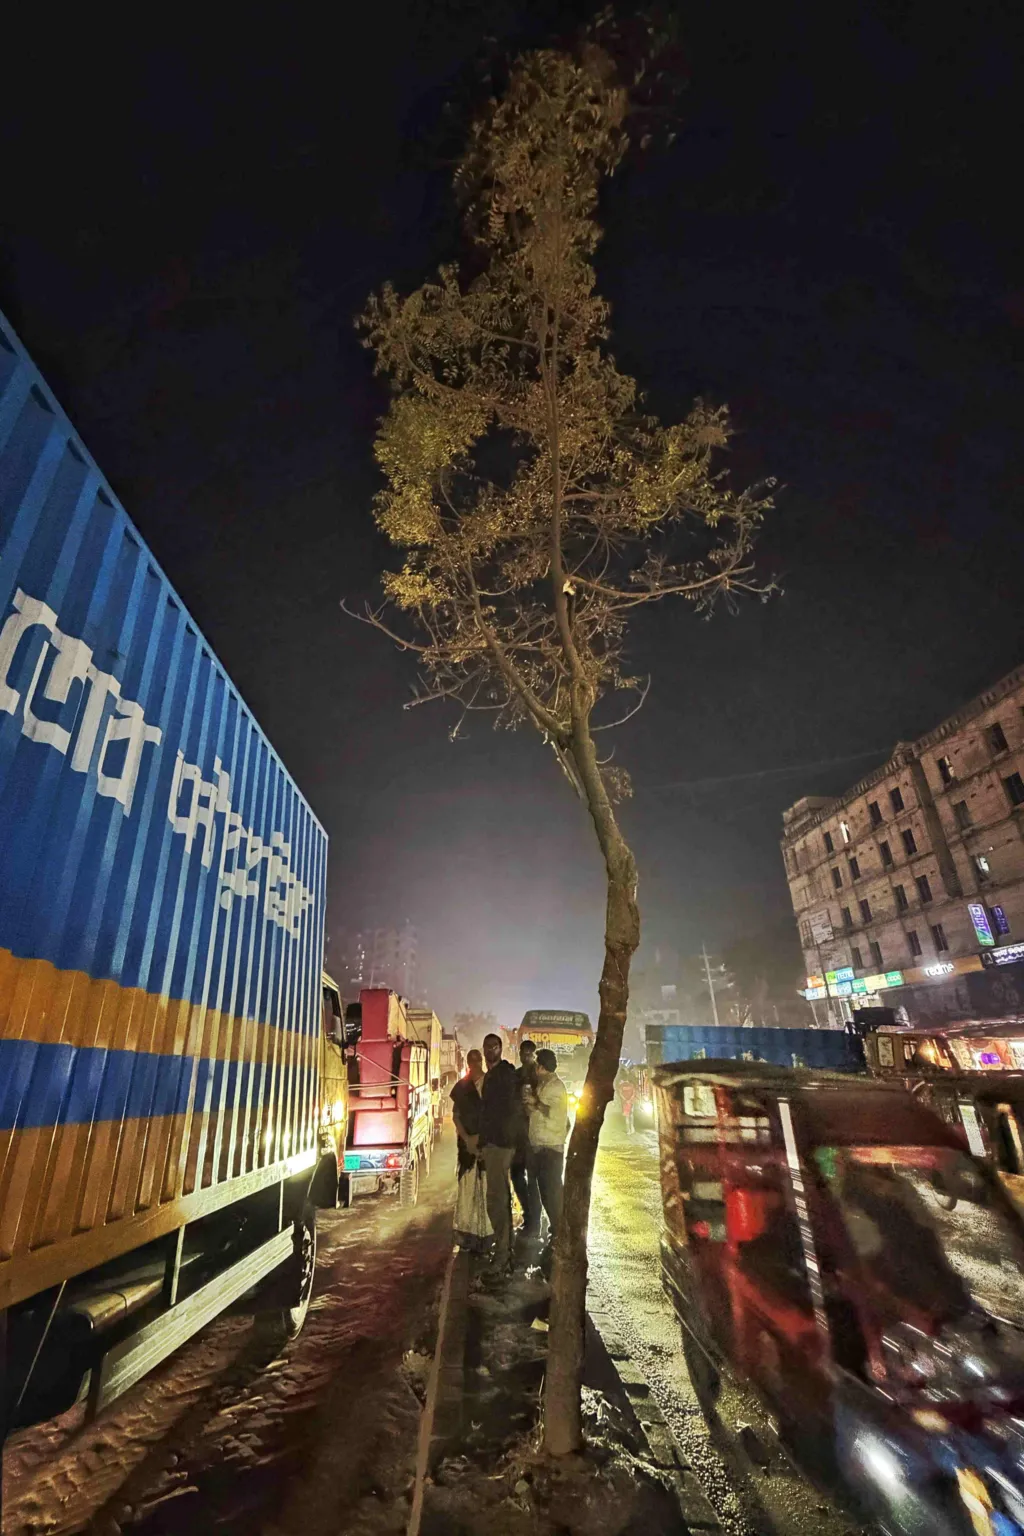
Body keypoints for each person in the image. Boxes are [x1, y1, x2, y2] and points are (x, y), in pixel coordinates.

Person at [479, 1032, 520, 1280]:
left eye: (493, 1047)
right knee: (500, 1199)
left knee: (497, 1200)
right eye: (486, 1048)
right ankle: (505, 1253)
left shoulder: (503, 1076)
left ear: (500, 1049)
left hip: (499, 1144)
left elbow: (503, 1112)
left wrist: (495, 1140)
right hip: (496, 1144)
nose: (488, 1052)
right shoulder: (497, 1075)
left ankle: (502, 1257)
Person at [526, 1049, 569, 1257]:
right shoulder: (545, 1084)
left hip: (550, 1148)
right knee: (545, 1192)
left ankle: (559, 1234)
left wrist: (535, 1103)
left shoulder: (555, 1087)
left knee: (551, 1193)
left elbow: (552, 1113)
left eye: (537, 1064)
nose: (535, 1068)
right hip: (540, 1145)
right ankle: (556, 1232)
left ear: (542, 1066)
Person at [511, 1040, 541, 1239]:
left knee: (533, 1180)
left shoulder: (540, 1077)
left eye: (530, 1053)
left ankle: (534, 1221)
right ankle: (529, 1215)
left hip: (535, 1134)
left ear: (534, 1054)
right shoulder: (516, 1075)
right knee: (516, 1175)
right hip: (518, 1133)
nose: (527, 1056)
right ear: (520, 1053)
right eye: (524, 1052)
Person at [450, 1049, 485, 1176]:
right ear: (468, 1063)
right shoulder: (461, 1087)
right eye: (472, 1060)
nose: (475, 1064)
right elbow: (456, 1116)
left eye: (478, 1060)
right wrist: (467, 1139)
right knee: (467, 1187)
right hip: (466, 1144)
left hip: (487, 1142)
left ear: (482, 1061)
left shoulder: (491, 1083)